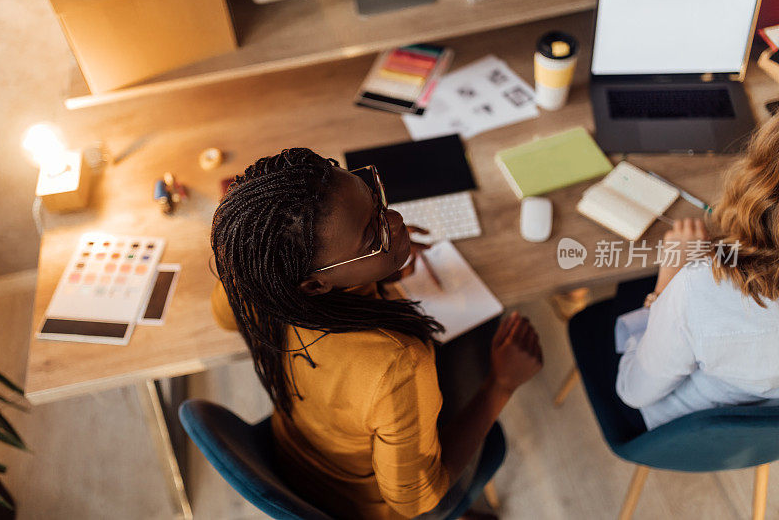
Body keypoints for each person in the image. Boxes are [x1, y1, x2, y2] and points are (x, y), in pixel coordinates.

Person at [210, 148, 543, 519]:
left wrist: (373, 263)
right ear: (315, 286)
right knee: (481, 335)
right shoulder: (397, 362)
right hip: (370, 503)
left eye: (377, 201)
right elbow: (414, 500)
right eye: (373, 236)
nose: (397, 221)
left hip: (295, 451)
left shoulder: (254, 276)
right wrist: (502, 383)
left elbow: (223, 316)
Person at [570, 115, 779, 434]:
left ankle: (571, 299)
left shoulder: (702, 289)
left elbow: (633, 391)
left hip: (674, 424)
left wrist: (669, 277)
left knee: (621, 288)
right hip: (761, 420)